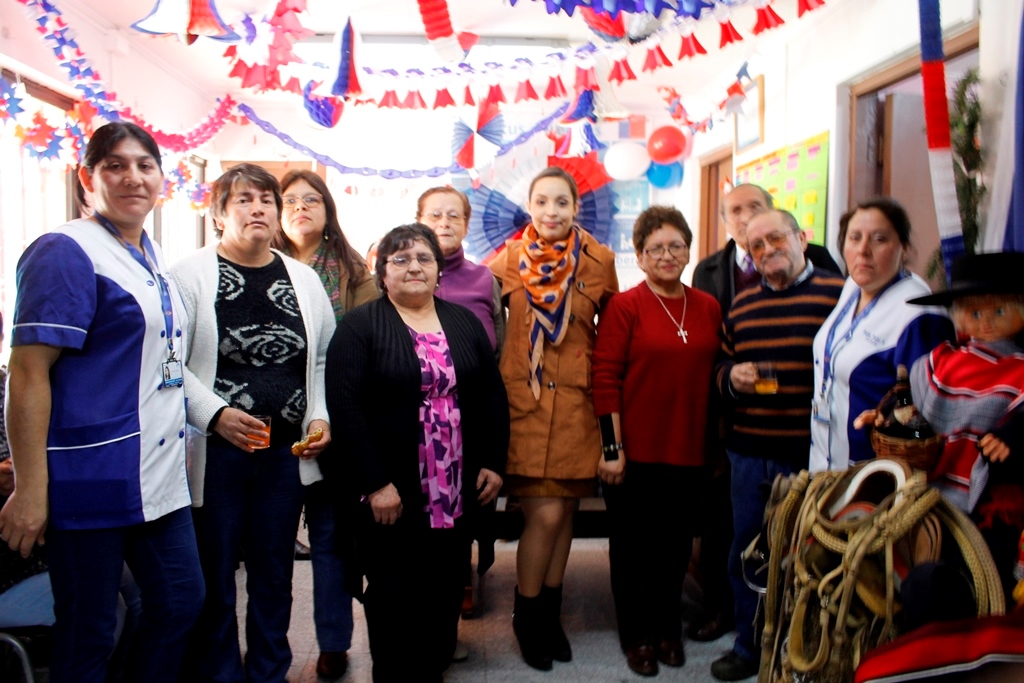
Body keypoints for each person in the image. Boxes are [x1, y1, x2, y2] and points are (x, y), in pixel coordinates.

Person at [0, 121, 204, 683]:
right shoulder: (66, 252)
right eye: (115, 165)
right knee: (89, 629)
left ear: (161, 178)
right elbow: (28, 374)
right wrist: (29, 487)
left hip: (156, 475)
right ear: (87, 178)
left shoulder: (150, 253)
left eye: (144, 165)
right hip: (90, 474)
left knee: (180, 602)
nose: (132, 177)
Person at [170, 163, 335, 683]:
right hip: (217, 454)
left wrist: (318, 416)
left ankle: (269, 671)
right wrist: (215, 415)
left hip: (284, 455)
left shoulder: (303, 279)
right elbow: (169, 362)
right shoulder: (188, 276)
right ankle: (220, 672)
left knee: (274, 573)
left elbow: (322, 360)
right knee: (217, 572)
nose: (258, 209)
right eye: (243, 200)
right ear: (219, 213)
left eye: (267, 200)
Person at [324, 224, 508, 683]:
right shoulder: (360, 327)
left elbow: (491, 395)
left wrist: (493, 460)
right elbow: (345, 409)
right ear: (382, 271)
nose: (414, 267)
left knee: (445, 583)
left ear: (438, 270)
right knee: (392, 588)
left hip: (454, 485)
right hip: (392, 488)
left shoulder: (462, 322)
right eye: (401, 259)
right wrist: (375, 483)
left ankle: (433, 667)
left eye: (424, 258)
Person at [690, 183, 839, 643]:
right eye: (757, 245)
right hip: (749, 452)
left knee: (807, 548)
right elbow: (719, 366)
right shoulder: (741, 304)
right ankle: (750, 642)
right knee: (747, 548)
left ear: (801, 239)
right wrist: (730, 377)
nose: (768, 249)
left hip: (809, 451)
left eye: (777, 238)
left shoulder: (838, 296)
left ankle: (800, 644)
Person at [489, 166, 618, 671]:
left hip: (577, 409)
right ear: (530, 206)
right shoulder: (507, 261)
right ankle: (527, 617)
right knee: (542, 515)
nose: (551, 211)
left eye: (561, 202)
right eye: (542, 201)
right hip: (525, 405)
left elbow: (612, 338)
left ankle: (550, 615)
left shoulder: (600, 260)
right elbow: (486, 326)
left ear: (575, 208)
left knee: (564, 514)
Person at [592, 206, 722, 676]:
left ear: (688, 251)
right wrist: (611, 449)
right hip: (634, 454)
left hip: (689, 449)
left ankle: (668, 628)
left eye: (676, 246)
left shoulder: (707, 306)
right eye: (656, 248)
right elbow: (604, 379)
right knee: (633, 551)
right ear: (641, 256)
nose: (667, 255)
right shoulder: (625, 306)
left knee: (675, 549)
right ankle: (638, 636)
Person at [275, 168, 379, 680]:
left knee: (330, 541)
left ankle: (334, 642)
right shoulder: (261, 266)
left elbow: (367, 353)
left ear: (328, 209)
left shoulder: (355, 273)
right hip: (273, 425)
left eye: (310, 199)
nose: (300, 208)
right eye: (290, 200)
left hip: (335, 425)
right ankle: (270, 647)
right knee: (271, 544)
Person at [900, 252, 1024, 600]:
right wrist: (892, 418)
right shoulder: (943, 361)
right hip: (932, 487)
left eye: (999, 311)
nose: (986, 323)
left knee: (982, 574)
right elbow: (914, 407)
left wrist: (1013, 436)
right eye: (975, 313)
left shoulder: (1020, 368)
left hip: (991, 500)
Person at [416, 185, 506, 661]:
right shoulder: (402, 273)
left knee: (458, 535)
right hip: (413, 433)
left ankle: (446, 634)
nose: (445, 223)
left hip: (469, 428)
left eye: (454, 216)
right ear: (419, 219)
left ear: (467, 225)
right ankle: (412, 635)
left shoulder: (484, 279)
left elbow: (499, 352)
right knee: (413, 536)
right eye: (435, 215)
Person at [809, 197, 955, 473]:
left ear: (904, 247)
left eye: (879, 239)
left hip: (878, 475)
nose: (863, 250)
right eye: (854, 238)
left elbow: (931, 415)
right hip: (826, 464)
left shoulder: (919, 314)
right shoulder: (853, 286)